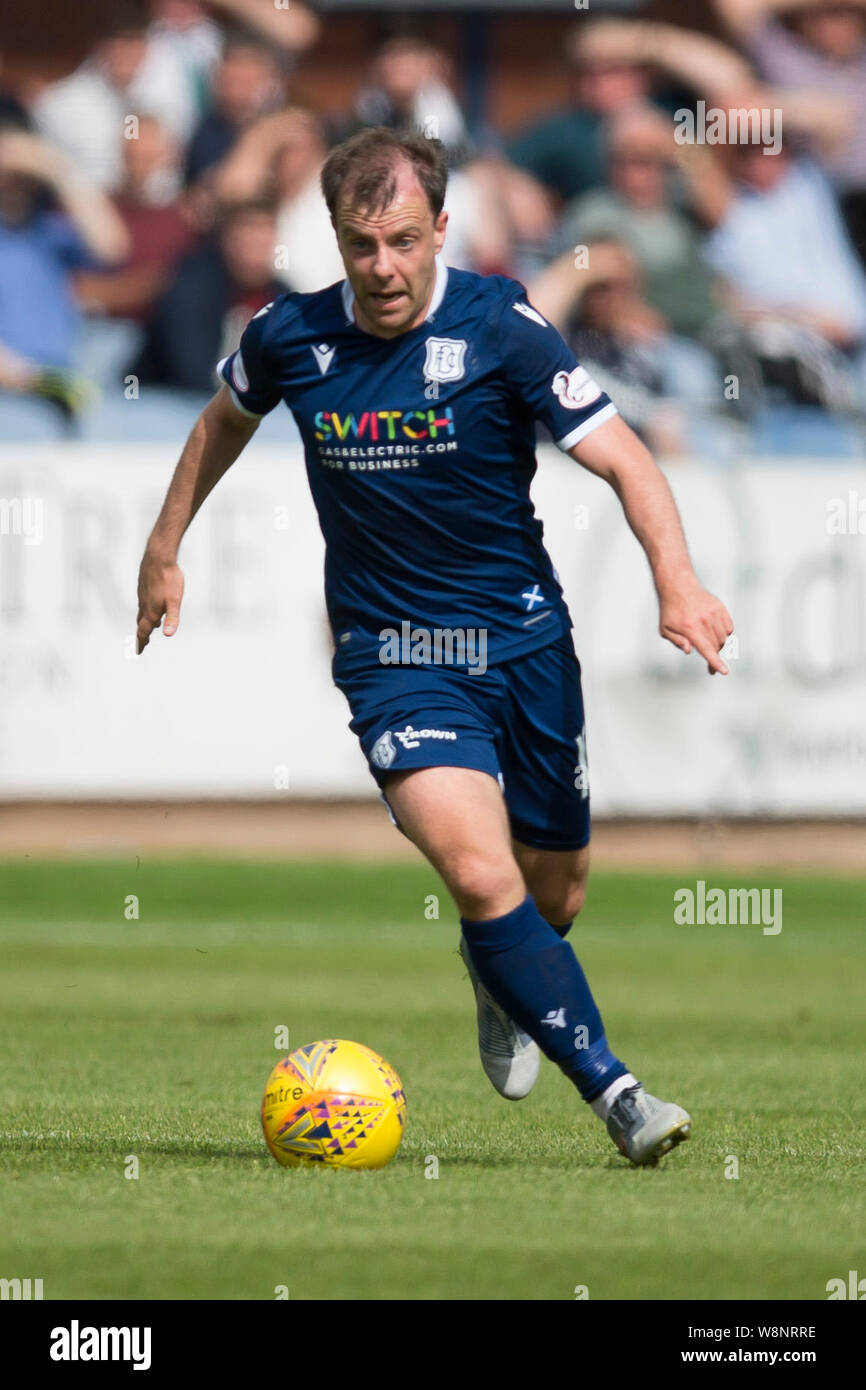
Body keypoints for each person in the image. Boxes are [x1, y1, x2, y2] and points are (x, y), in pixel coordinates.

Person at [136, 128, 733, 1165]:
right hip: (394, 652)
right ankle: (619, 1096)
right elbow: (219, 420)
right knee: (473, 864)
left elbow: (626, 459)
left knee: (557, 892)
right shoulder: (291, 335)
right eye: (360, 245)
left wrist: (674, 581)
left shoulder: (502, 326)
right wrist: (163, 547)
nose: (381, 268)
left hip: (524, 643)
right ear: (332, 237)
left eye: (403, 241)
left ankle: (497, 973)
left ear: (440, 229)